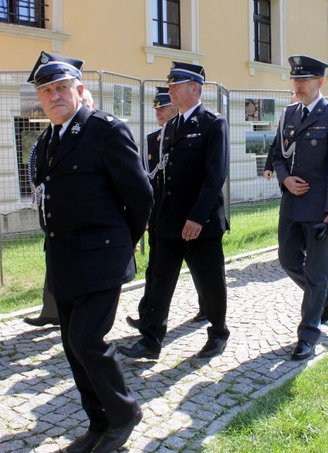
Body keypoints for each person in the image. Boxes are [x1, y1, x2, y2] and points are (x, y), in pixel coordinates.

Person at [28, 51, 153, 452]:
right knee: (71, 345)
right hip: (63, 258)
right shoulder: (48, 139)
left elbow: (141, 195)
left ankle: (125, 413)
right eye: (46, 91)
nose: (54, 96)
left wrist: (124, 242)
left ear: (80, 91)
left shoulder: (105, 130)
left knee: (87, 340)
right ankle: (98, 423)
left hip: (101, 256)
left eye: (62, 87)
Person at [120, 61, 230, 360]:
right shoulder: (170, 128)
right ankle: (150, 341)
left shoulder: (212, 123)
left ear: (194, 88)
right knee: (159, 282)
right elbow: (159, 178)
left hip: (200, 223)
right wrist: (149, 218)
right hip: (167, 223)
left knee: (209, 283)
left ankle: (218, 332)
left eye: (175, 85)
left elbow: (215, 175)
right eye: (169, 85)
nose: (170, 90)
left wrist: (197, 217)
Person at [271, 55, 328, 360]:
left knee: (316, 273)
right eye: (295, 80)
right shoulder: (289, 114)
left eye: (304, 80)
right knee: (288, 259)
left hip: (319, 209)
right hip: (291, 205)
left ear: (320, 82)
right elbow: (278, 155)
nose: (299, 85)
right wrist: (285, 179)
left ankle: (308, 334)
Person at [126, 86, 205, 329]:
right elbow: (147, 181)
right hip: (160, 216)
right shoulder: (152, 140)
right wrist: (147, 216)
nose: (159, 112)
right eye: (157, 108)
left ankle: (208, 307)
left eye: (164, 107)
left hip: (187, 215)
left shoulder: (195, 133)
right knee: (156, 269)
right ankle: (148, 316)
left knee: (200, 269)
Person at [24, 89, 97, 328]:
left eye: (84, 103)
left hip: (90, 225)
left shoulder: (102, 134)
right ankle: (52, 311)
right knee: (55, 262)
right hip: (56, 217)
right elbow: (36, 167)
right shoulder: (52, 136)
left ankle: (84, 320)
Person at [263, 94, 298, 180]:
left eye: (294, 104)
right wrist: (268, 167)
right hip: (287, 172)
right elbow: (275, 144)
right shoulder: (285, 121)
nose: (290, 107)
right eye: (290, 104)